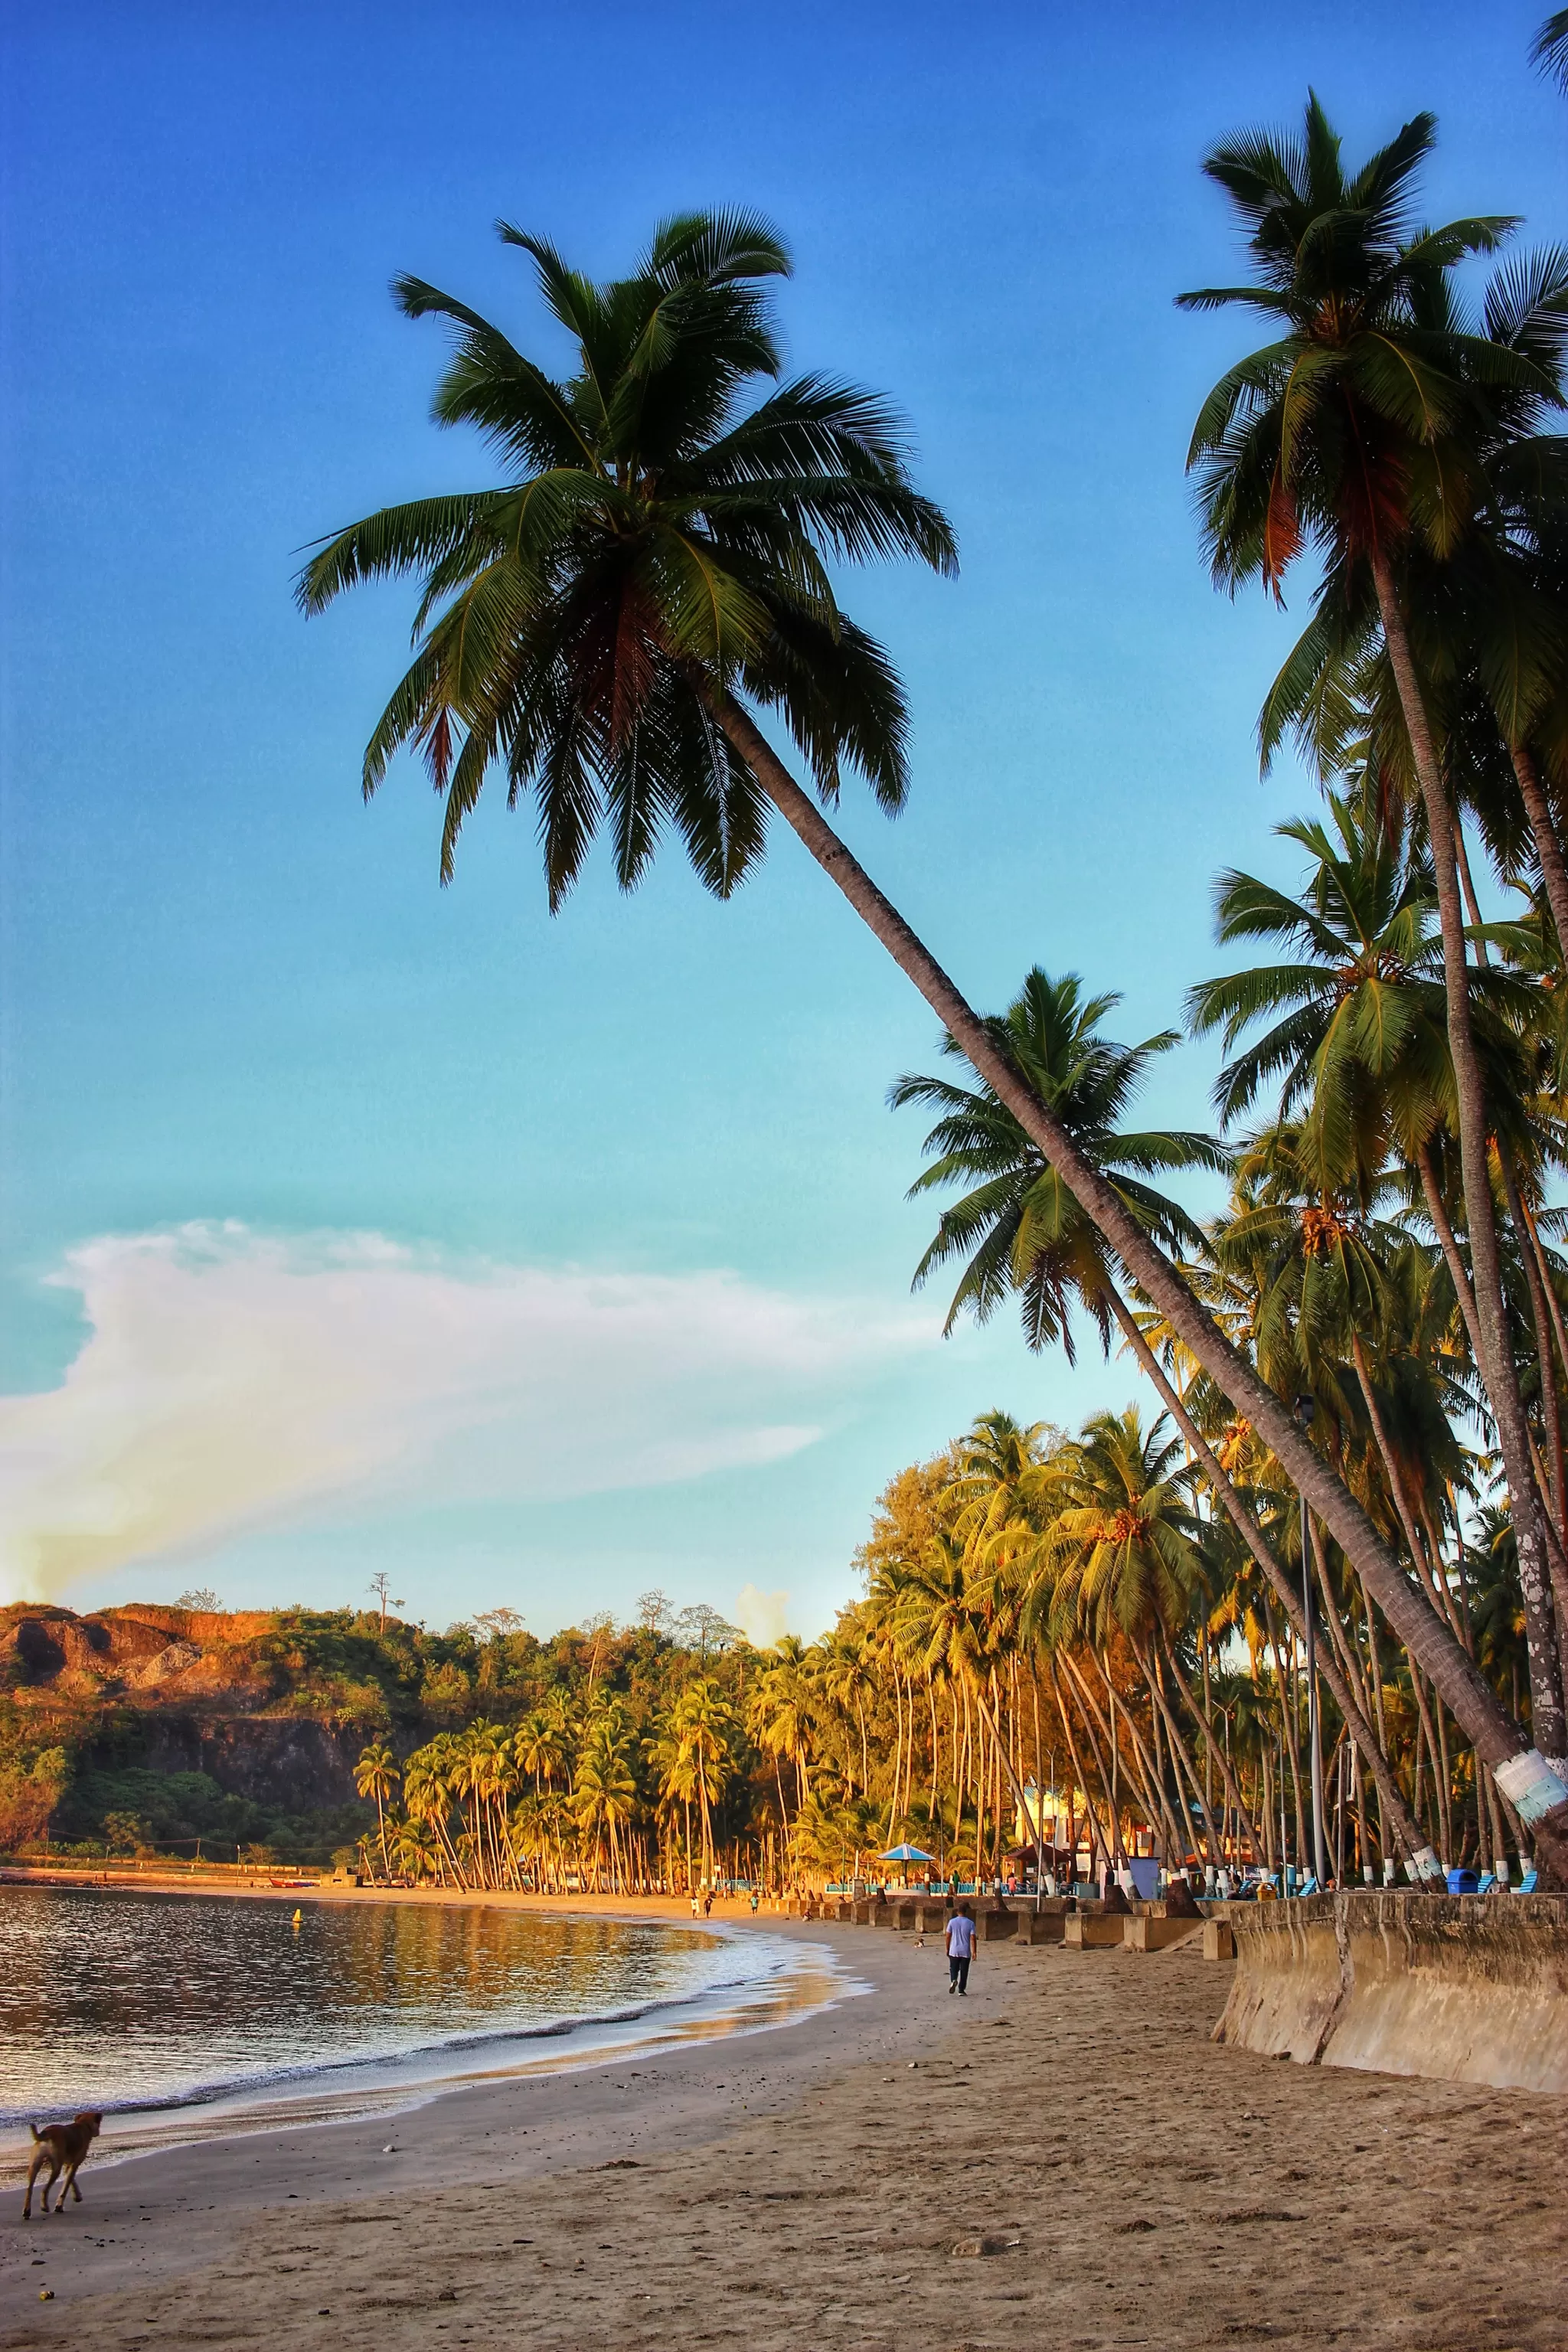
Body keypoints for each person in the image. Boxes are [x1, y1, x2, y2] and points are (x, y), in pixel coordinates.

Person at [945, 1902, 977, 1996]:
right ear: (966, 1912)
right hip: (965, 1951)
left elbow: (948, 1936)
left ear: (957, 1912)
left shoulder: (952, 1922)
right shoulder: (970, 1923)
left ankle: (954, 1980)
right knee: (964, 1971)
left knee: (953, 1968)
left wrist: (947, 1948)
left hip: (954, 1949)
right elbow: (973, 1938)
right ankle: (961, 1990)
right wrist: (974, 1951)